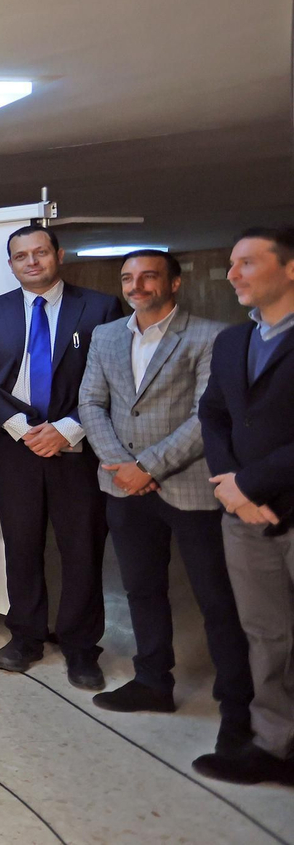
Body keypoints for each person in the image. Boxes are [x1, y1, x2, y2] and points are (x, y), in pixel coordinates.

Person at [79, 250, 251, 753]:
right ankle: (154, 681)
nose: (137, 285)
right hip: (123, 486)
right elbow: (91, 403)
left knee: (216, 599)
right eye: (128, 277)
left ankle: (238, 705)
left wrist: (147, 467)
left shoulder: (211, 335)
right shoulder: (107, 335)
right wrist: (121, 467)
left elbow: (207, 416)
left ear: (173, 283)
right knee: (142, 590)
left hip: (190, 486)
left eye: (148, 276)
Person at [0, 226, 123, 689]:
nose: (31, 262)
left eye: (40, 252)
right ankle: (26, 637)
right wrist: (19, 429)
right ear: (11, 263)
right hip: (17, 450)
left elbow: (115, 378)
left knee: (81, 550)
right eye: (21, 256)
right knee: (22, 547)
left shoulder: (98, 307)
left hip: (77, 450)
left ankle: (81, 648)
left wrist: (66, 429)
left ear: (59, 255)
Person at [194, 227, 294, 787]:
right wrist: (229, 484)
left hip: (277, 501)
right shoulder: (234, 342)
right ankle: (275, 745)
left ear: (290, 268)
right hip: (243, 514)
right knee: (268, 634)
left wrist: (248, 483)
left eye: (247, 263)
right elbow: (214, 415)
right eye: (231, 264)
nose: (232, 274)